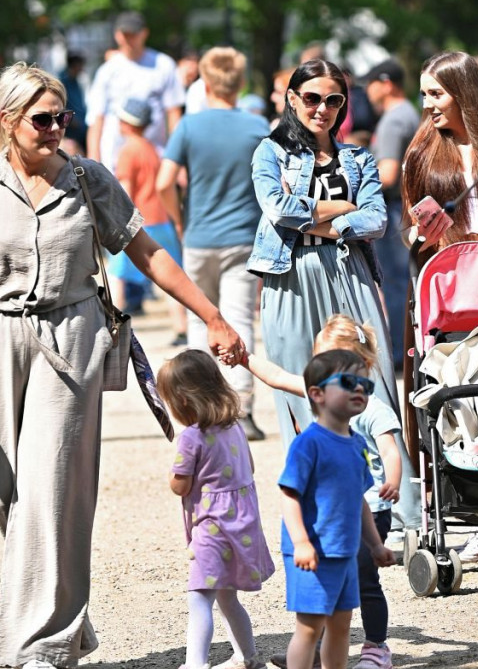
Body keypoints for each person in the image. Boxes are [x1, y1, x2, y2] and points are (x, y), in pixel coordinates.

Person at [0, 62, 243, 669]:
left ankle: (40, 645)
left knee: (52, 489)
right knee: (5, 488)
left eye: (63, 117)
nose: (56, 128)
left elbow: (149, 253)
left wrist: (211, 315)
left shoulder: (88, 180)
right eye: (42, 119)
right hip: (1, 338)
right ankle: (41, 619)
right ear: (7, 121)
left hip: (71, 341)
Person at [246, 315, 410, 669]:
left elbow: (390, 450)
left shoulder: (370, 407)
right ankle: (317, 646)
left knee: (364, 580)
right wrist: (245, 358)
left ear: (360, 366)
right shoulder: (320, 399)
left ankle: (376, 647)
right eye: (320, 360)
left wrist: (393, 481)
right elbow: (277, 377)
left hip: (369, 507)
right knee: (328, 579)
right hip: (329, 511)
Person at [248, 59, 399, 450]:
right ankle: (313, 481)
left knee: (370, 378)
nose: (322, 109)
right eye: (312, 98)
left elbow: (377, 220)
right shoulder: (271, 152)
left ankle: (385, 483)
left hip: (351, 271)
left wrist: (312, 220)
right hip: (291, 276)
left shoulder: (359, 158)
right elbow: (277, 207)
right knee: (301, 386)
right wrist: (344, 208)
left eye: (334, 100)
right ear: (292, 99)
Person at [400, 50, 478, 563]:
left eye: (437, 93)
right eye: (424, 93)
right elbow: (412, 231)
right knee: (457, 386)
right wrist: (419, 235)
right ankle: (469, 506)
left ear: (464, 94)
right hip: (448, 285)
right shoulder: (422, 154)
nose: (428, 104)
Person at [275, 349, 395, 669]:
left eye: (365, 384)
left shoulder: (356, 443)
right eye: (348, 382)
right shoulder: (308, 443)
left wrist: (374, 544)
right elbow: (289, 495)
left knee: (341, 626)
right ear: (317, 394)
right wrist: (301, 541)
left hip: (344, 551)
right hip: (313, 552)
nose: (360, 389)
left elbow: (360, 499)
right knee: (310, 627)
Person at [157, 47, 270, 441]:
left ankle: (199, 406)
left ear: (204, 83)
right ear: (241, 83)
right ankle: (243, 409)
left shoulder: (189, 126)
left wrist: (179, 220)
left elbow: (164, 182)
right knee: (239, 319)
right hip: (242, 237)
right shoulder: (257, 127)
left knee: (198, 319)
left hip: (199, 235)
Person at [150, 350, 275, 669]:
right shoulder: (234, 427)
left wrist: (174, 476)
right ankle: (248, 660)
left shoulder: (191, 437)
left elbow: (180, 485)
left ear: (182, 401)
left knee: (199, 596)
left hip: (212, 527)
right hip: (242, 523)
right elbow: (250, 467)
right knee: (226, 596)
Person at [110, 97, 188, 341]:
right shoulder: (152, 149)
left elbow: (125, 192)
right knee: (171, 274)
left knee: (116, 275)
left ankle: (113, 326)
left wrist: (116, 221)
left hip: (137, 223)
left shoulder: (127, 151)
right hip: (161, 219)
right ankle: (181, 327)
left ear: (127, 123)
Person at [361, 57, 420, 369]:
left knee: (395, 284)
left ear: (385, 84)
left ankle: (399, 353)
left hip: (394, 208)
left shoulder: (394, 120)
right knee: (402, 283)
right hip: (404, 209)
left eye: (370, 83)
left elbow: (387, 174)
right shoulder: (408, 112)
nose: (367, 90)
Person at [86, 10, 186, 171]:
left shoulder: (163, 65)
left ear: (144, 33)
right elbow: (96, 118)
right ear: (117, 35)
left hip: (153, 156)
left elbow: (174, 113)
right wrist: (93, 161)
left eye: (133, 34)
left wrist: (176, 159)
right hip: (114, 158)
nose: (129, 39)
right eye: (125, 34)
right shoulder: (107, 70)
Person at [58, 52, 88, 150]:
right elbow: (59, 107)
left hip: (81, 130)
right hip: (71, 133)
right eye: (80, 65)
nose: (81, 68)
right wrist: (71, 120)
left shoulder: (76, 82)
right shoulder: (62, 82)